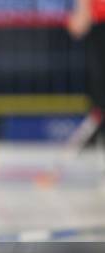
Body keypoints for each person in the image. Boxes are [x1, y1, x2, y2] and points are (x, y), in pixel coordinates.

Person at [66, 0, 105, 149]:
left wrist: (82, 13)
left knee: (99, 84)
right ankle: (97, 131)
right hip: (98, 23)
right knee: (98, 84)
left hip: (99, 23)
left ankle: (96, 131)